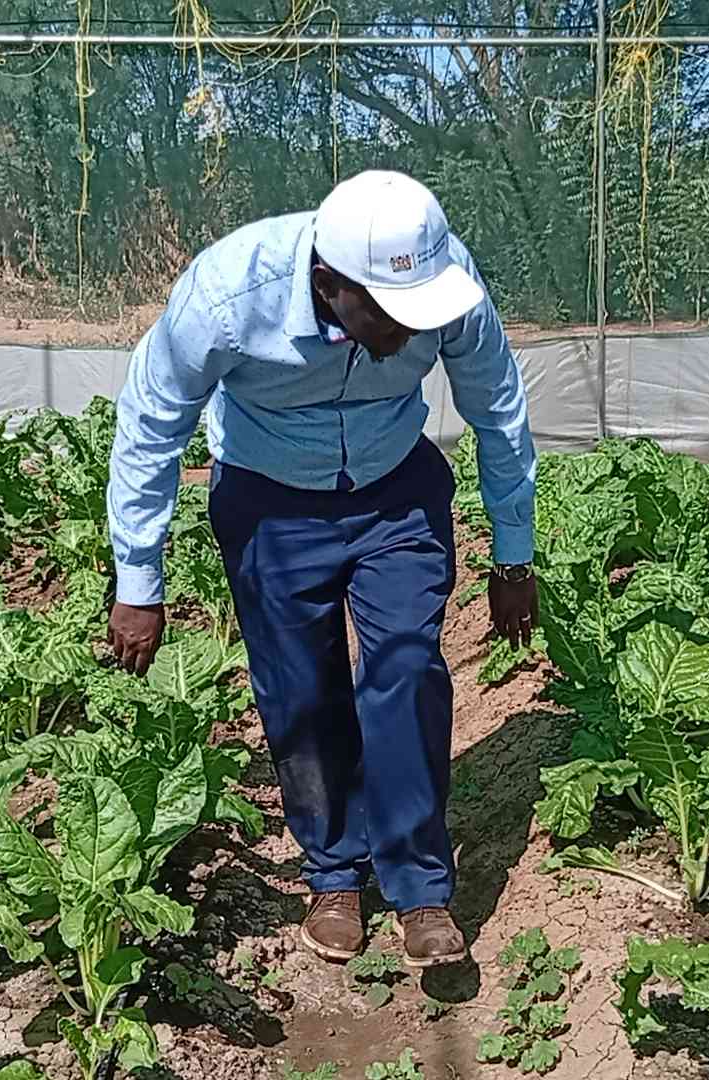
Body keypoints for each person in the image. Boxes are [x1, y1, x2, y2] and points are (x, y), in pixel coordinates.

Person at [105, 171, 539, 969]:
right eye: (393, 317)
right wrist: (139, 579)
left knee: (406, 667)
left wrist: (515, 553)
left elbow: (496, 404)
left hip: (393, 488)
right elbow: (150, 422)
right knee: (299, 689)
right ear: (330, 286)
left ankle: (419, 887)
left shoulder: (444, 281)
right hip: (270, 498)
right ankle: (335, 871)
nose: (414, 335)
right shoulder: (229, 295)